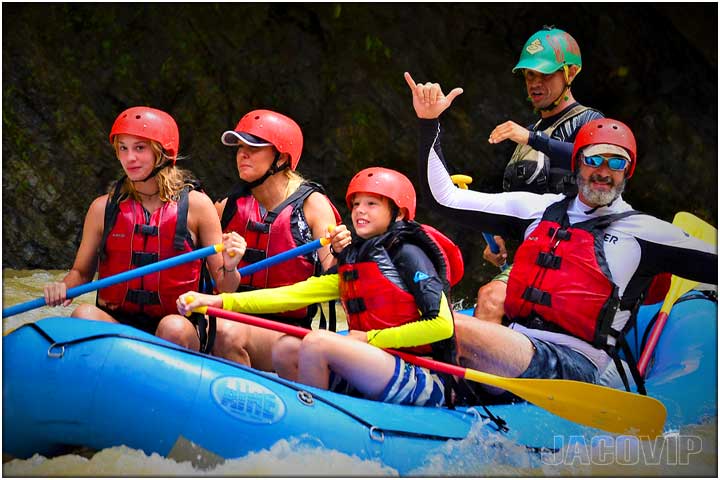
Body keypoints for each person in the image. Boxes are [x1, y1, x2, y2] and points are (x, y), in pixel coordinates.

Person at [405, 73, 716, 399]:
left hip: (578, 366)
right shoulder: (537, 209)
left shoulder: (647, 233)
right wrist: (429, 122)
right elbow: (445, 198)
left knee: (449, 325)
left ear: (628, 171)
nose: (603, 171)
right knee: (414, 318)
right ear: (577, 164)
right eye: (593, 159)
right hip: (515, 347)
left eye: (616, 162)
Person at [178, 167, 460, 407]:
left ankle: (314, 419)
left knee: (316, 341)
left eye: (372, 204)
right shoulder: (356, 259)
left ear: (398, 214)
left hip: (422, 373)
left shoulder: (409, 253)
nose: (360, 211)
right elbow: (289, 295)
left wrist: (368, 340)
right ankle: (302, 412)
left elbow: (442, 326)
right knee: (288, 348)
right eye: (357, 204)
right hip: (376, 362)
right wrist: (217, 302)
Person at [157, 109, 342, 370]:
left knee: (224, 332)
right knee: (172, 327)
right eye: (240, 147)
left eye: (254, 148)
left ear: (282, 158)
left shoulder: (313, 206)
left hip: (283, 331)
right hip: (227, 317)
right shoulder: (228, 206)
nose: (242, 154)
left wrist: (340, 250)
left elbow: (336, 273)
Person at [43, 106, 243, 336]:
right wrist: (63, 287)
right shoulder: (102, 208)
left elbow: (225, 287)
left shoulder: (198, 206)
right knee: (83, 314)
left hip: (179, 325)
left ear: (162, 152)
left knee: (172, 327)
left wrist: (230, 267)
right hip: (118, 323)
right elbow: (81, 272)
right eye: (123, 148)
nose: (130, 158)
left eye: (140, 148)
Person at [477, 26, 604, 324]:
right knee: (489, 297)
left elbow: (595, 166)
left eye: (544, 75)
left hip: (572, 254)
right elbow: (522, 200)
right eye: (529, 75)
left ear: (570, 73)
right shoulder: (531, 131)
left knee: (491, 297)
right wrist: (500, 236)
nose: (534, 83)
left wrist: (532, 139)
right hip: (532, 253)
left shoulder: (591, 121)